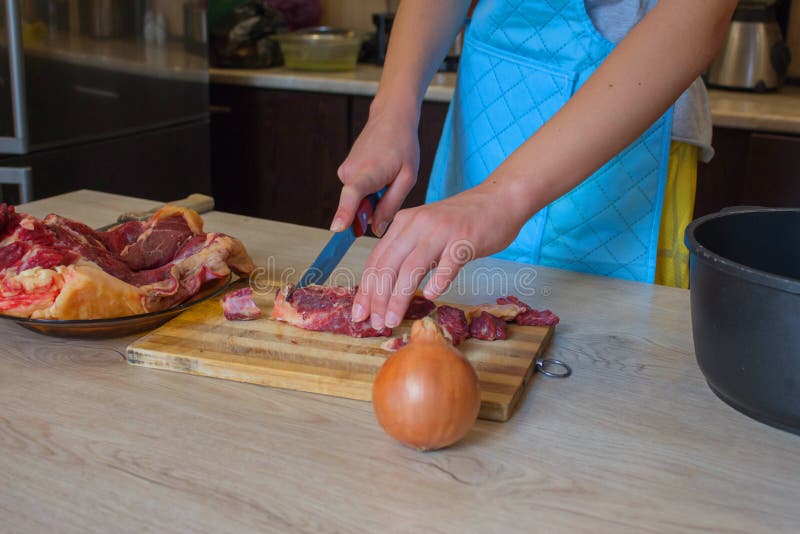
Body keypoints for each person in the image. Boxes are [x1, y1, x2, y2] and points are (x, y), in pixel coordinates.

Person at [330, 0, 737, 331]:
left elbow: (700, 12)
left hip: (623, 131)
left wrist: (502, 196)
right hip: (488, 112)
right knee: (454, 326)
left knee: (604, 364)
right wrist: (391, 111)